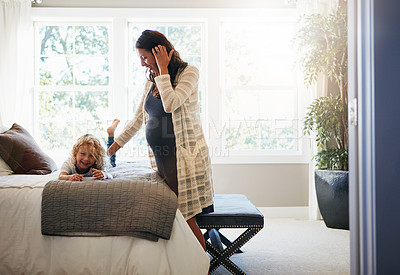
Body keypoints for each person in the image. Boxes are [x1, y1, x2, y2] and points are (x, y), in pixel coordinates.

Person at [107, 30, 214, 250]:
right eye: (140, 58)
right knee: (176, 214)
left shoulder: (189, 73)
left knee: (186, 215)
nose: (142, 63)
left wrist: (163, 70)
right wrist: (109, 149)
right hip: (163, 159)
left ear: (160, 53)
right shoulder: (152, 80)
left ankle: (202, 264)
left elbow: (170, 103)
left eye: (145, 57)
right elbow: (138, 119)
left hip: (183, 159)